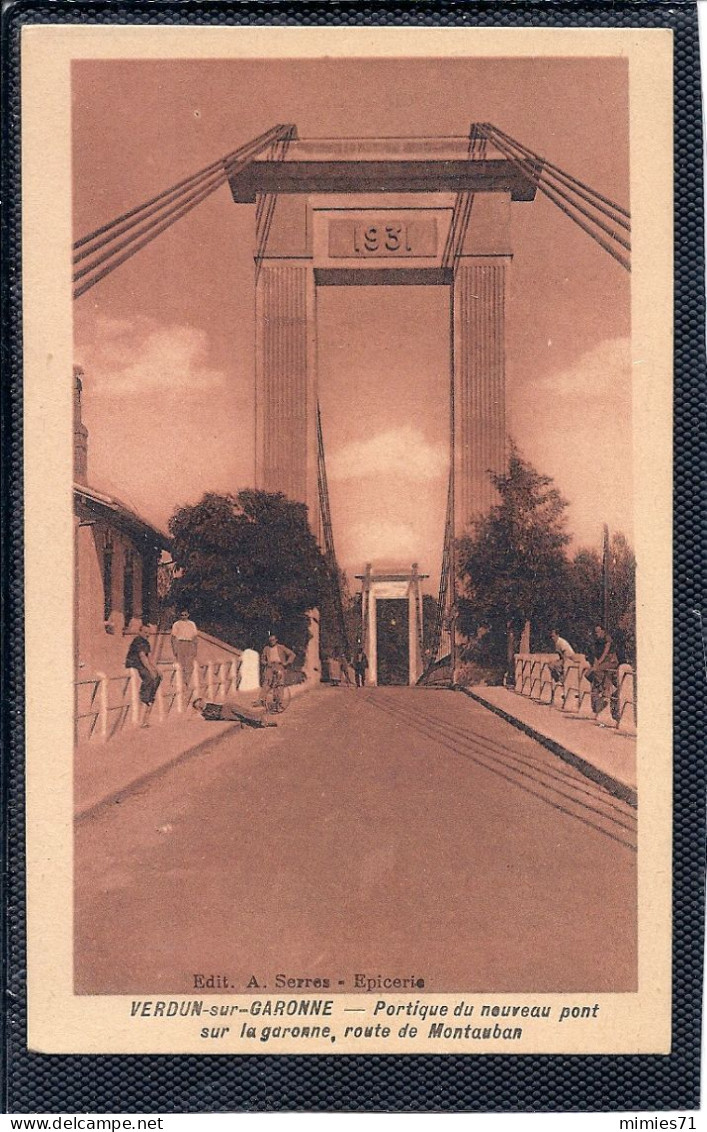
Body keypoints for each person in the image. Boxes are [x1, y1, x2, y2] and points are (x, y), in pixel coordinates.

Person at [125, 624, 162, 727]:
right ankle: (144, 697)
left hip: (141, 663)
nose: (147, 634)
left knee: (158, 677)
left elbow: (149, 657)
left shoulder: (146, 642)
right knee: (149, 676)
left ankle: (150, 697)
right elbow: (142, 657)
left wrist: (157, 669)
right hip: (134, 663)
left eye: (149, 633)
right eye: (145, 632)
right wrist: (151, 670)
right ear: (140, 632)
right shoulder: (138, 641)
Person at [586, 624, 620, 718]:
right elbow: (596, 655)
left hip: (611, 661)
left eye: (598, 631)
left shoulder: (607, 639)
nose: (596, 633)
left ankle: (605, 687)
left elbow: (605, 653)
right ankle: (603, 686)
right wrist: (594, 665)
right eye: (595, 632)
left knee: (596, 671)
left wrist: (596, 665)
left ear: (603, 631)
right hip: (603, 662)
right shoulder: (597, 641)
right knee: (587, 674)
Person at [254, 634, 296, 706]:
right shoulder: (266, 648)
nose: (272, 642)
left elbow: (292, 654)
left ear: (276, 640)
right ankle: (261, 700)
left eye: (273, 640)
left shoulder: (281, 647)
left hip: (279, 666)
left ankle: (278, 702)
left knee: (279, 684)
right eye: (270, 640)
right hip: (270, 667)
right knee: (266, 683)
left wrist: (287, 662)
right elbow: (262, 659)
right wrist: (266, 663)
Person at [192, 697, 276, 728]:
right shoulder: (204, 713)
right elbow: (213, 715)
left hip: (225, 709)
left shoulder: (208, 705)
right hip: (224, 712)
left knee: (243, 713)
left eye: (201, 701)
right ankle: (259, 718)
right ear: (198, 707)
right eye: (199, 704)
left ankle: (259, 719)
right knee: (242, 714)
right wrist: (200, 713)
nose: (202, 703)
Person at [170, 609, 199, 679]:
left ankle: (187, 680)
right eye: (182, 615)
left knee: (189, 664)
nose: (184, 617)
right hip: (180, 644)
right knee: (180, 663)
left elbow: (195, 637)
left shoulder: (192, 624)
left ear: (188, 615)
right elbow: (173, 638)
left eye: (185, 615)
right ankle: (181, 680)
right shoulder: (176, 624)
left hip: (189, 644)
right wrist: (175, 649)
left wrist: (195, 649)